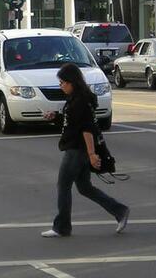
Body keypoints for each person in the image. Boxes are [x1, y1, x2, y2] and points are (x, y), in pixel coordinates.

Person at [41, 63, 129, 238]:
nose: (61, 86)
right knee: (84, 188)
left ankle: (62, 227)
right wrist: (56, 117)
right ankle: (120, 210)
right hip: (78, 148)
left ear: (72, 82)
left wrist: (91, 154)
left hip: (76, 150)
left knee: (63, 186)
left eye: (62, 83)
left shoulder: (79, 101)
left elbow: (86, 129)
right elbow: (73, 123)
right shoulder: (78, 98)